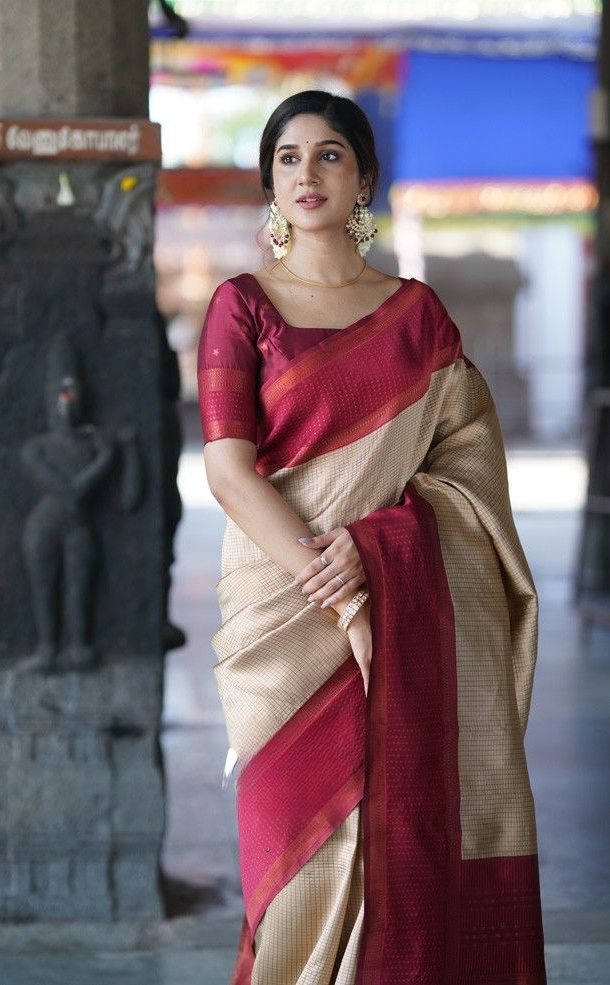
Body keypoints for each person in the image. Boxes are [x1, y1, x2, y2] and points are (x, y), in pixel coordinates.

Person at [197, 91, 547, 985]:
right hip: (283, 613)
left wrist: (379, 548)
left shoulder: (416, 316)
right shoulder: (242, 306)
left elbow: (466, 472)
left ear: (364, 180)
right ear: (270, 182)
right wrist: (334, 579)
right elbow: (229, 469)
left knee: (400, 834)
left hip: (394, 607)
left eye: (328, 155)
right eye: (287, 157)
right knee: (291, 867)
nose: (305, 173)